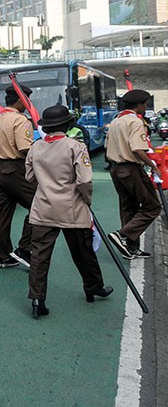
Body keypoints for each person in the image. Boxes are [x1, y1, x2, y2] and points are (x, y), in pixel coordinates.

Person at [25, 106, 113, 318]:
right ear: (68, 125)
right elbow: (84, 181)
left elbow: (29, 177)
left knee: (39, 255)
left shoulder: (35, 147)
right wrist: (87, 201)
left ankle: (38, 299)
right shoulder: (76, 146)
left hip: (43, 208)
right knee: (83, 251)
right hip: (71, 208)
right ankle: (93, 287)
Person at [106, 89, 162, 260]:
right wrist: (153, 165)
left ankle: (130, 248)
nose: (145, 107)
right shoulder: (134, 122)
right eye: (145, 104)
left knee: (128, 207)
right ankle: (123, 235)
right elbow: (137, 149)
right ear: (138, 105)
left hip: (115, 169)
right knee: (152, 206)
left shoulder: (116, 121)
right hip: (130, 168)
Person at [0, 85, 36, 268]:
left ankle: (2, 256)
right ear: (20, 101)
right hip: (15, 168)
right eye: (27, 100)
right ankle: (25, 248)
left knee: (3, 214)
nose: (28, 104)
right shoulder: (21, 121)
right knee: (39, 205)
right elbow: (25, 149)